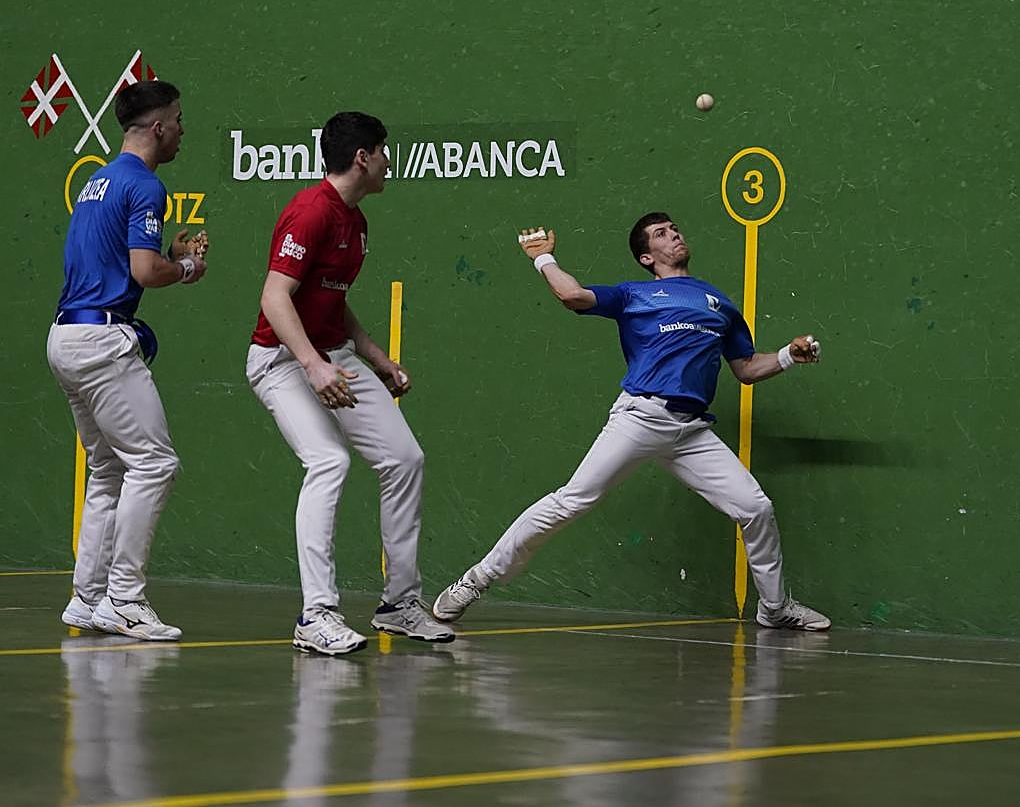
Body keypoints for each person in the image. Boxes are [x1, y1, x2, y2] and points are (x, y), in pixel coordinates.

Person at [434, 214, 831, 631]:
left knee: (756, 508)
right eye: (661, 233)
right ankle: (476, 580)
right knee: (571, 500)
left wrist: (787, 356)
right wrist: (543, 258)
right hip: (641, 417)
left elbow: (747, 368)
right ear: (646, 256)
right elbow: (573, 296)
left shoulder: (720, 304)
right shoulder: (634, 295)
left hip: (691, 430)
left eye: (676, 228)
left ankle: (774, 607)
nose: (674, 234)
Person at [246, 111, 452, 656]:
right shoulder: (310, 211)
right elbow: (275, 297)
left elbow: (332, 299)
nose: (389, 160)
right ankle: (316, 615)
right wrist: (314, 367)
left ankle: (400, 604)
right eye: (384, 150)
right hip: (280, 361)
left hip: (335, 355)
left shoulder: (355, 221)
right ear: (363, 156)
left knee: (404, 459)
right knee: (328, 462)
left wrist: (377, 357)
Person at [49, 80, 208, 642]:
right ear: (159, 126)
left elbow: (118, 262)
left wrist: (168, 258)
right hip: (101, 343)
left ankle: (86, 597)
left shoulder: (98, 180)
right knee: (154, 464)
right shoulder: (145, 186)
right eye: (179, 120)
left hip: (66, 336)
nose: (184, 130)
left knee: (109, 469)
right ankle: (124, 598)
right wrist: (186, 268)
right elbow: (144, 271)